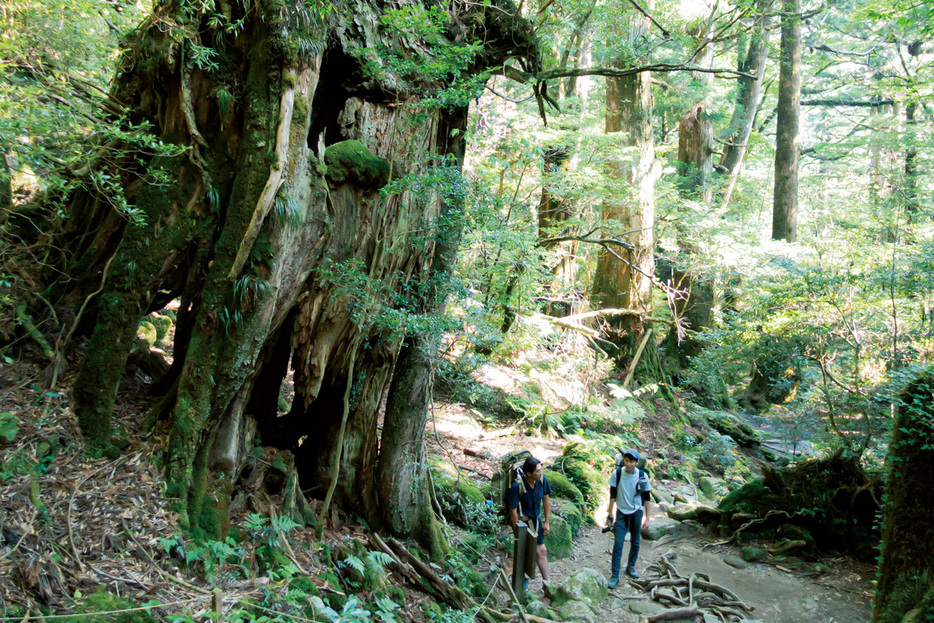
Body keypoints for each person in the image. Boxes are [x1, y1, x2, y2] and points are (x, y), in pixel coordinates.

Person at [605, 448, 651, 588]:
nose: (629, 464)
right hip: (621, 513)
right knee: (618, 544)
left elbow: (647, 497)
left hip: (636, 512)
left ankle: (630, 567)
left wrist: (647, 517)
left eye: (631, 461)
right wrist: (610, 513)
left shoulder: (642, 476)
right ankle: (615, 575)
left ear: (637, 462)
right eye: (626, 460)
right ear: (623, 460)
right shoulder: (617, 473)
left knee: (635, 542)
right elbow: (612, 495)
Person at [508, 456, 551, 588]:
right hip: (523, 523)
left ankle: (547, 583)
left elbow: (546, 499)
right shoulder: (517, 486)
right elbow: (513, 510)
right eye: (537, 471)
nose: (540, 472)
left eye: (540, 469)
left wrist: (546, 521)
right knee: (523, 552)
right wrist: (517, 531)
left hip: (536, 521)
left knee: (541, 551)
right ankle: (522, 582)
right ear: (528, 473)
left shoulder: (542, 480)